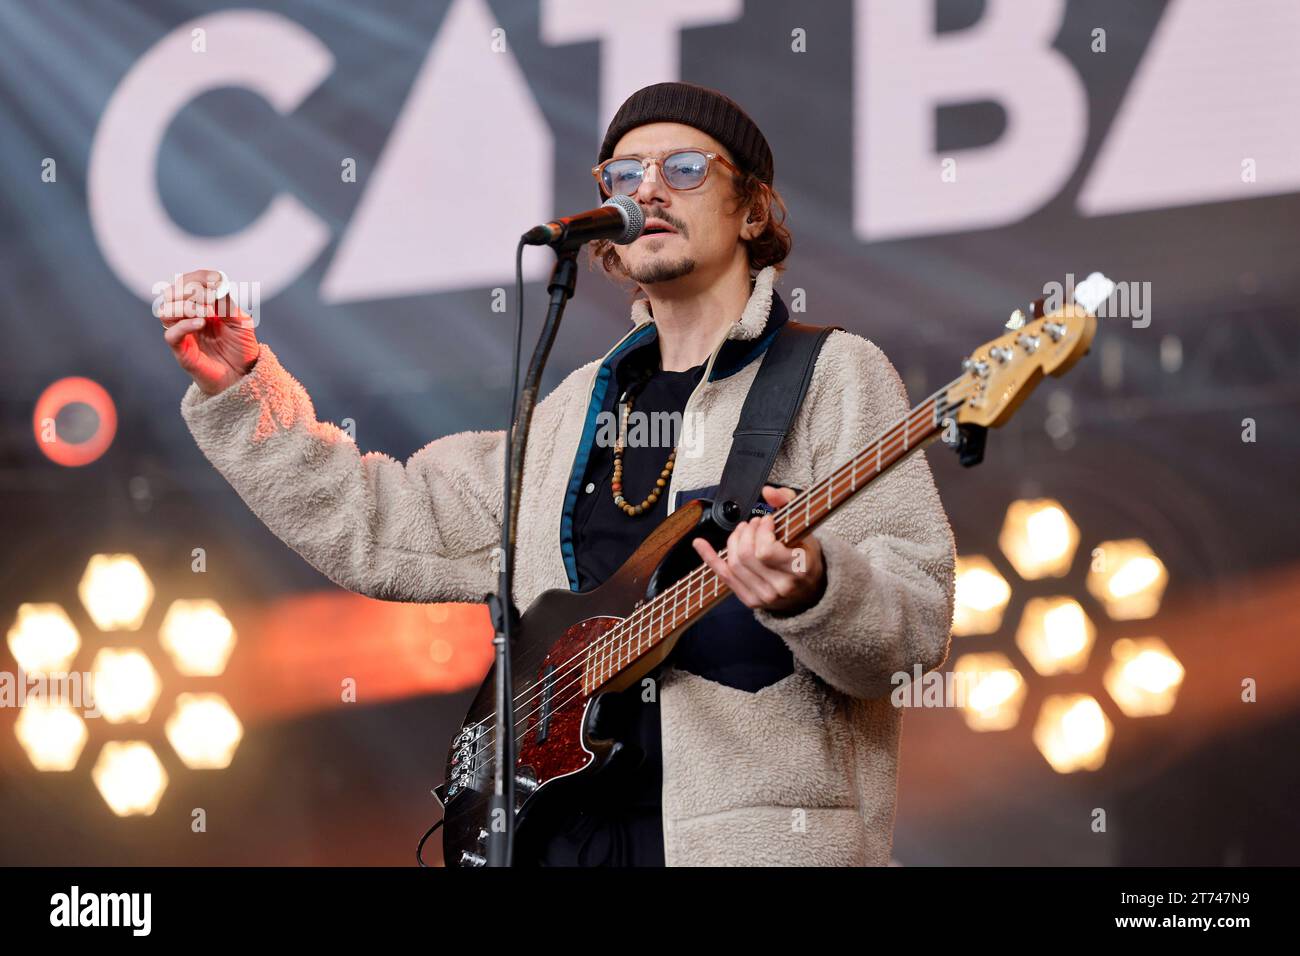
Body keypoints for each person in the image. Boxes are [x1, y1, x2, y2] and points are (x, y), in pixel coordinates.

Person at [158, 82, 956, 867]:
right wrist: (244, 386)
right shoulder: (574, 410)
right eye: (623, 175)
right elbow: (380, 523)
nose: (647, 189)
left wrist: (816, 590)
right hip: (556, 841)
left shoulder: (830, 374)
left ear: (752, 210)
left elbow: (914, 629)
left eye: (684, 169)